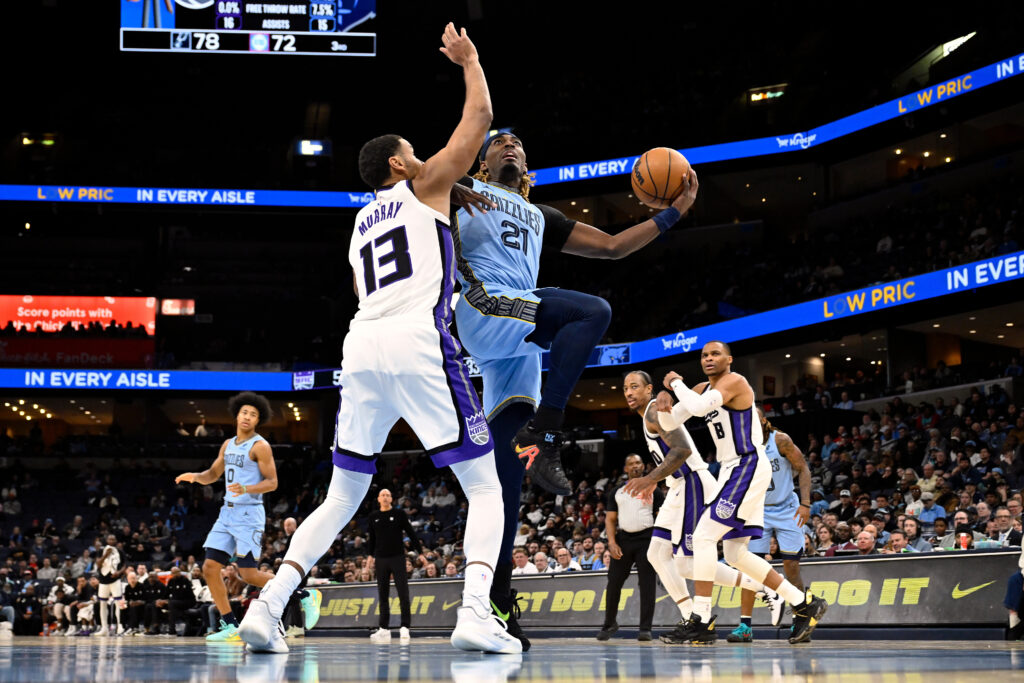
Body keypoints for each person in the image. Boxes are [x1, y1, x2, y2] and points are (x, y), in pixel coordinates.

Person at [238, 23, 519, 657]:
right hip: (418, 339)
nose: (421, 157)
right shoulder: (425, 186)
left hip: (361, 347)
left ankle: (268, 605)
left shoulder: (362, 222)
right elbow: (480, 121)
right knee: (484, 486)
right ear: (397, 163)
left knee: (342, 494)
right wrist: (471, 61)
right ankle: (476, 613)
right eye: (413, 151)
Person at [457, 131, 699, 652]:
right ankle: (548, 432)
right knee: (591, 312)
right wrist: (446, 185)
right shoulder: (464, 190)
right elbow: (412, 180)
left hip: (516, 339)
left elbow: (612, 247)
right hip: (484, 305)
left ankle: (495, 603)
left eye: (517, 142)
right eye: (498, 142)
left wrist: (673, 213)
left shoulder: (540, 214)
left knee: (505, 483)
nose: (509, 144)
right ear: (481, 163)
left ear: (527, 165)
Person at [655, 342, 826, 645]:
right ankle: (803, 603)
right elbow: (668, 423)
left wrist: (676, 383)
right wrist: (664, 400)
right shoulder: (700, 389)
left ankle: (701, 619)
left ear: (729, 359)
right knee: (735, 554)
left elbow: (698, 408)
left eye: (715, 354)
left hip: (747, 464)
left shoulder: (735, 381)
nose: (709, 358)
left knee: (704, 536)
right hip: (730, 469)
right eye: (704, 355)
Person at [623, 371, 774, 645]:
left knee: (687, 564)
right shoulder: (648, 416)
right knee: (656, 554)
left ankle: (760, 587)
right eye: (625, 388)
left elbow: (681, 451)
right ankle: (690, 617)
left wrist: (650, 479)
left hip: (692, 482)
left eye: (635, 386)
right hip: (677, 486)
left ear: (648, 389)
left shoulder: (654, 411)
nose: (629, 392)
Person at [174, 391, 280, 642]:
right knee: (210, 568)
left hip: (249, 513)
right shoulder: (228, 444)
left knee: (249, 574)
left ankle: (301, 594)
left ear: (258, 420)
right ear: (237, 415)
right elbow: (213, 474)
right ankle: (230, 625)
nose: (247, 417)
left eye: (253, 414)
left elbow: (272, 482)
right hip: (227, 513)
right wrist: (195, 477)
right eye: (244, 412)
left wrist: (246, 488)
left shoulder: (260, 446)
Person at [730, 410, 812, 643]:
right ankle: (745, 626)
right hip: (758, 510)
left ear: (764, 421)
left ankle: (800, 619)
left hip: (787, 508)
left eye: (755, 420)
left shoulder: (780, 440)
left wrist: (805, 503)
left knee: (791, 566)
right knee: (750, 568)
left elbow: (803, 468)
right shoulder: (742, 445)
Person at [598, 453, 661, 641]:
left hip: (647, 539)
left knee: (647, 584)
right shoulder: (617, 492)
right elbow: (610, 520)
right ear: (626, 469)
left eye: (638, 463)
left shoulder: (654, 489)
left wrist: (662, 542)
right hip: (623, 540)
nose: (635, 466)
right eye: (631, 463)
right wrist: (611, 543)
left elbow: (662, 517)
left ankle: (645, 628)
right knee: (614, 582)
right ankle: (609, 623)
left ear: (643, 466)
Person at [368, 488, 422, 643]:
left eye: (388, 495)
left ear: (391, 499)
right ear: (378, 499)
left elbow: (411, 533)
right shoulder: (373, 517)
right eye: (382, 495)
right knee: (382, 594)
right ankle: (384, 629)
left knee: (403, 593)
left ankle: (405, 627)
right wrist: (370, 556)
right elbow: (372, 539)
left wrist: (420, 552)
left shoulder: (399, 514)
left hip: (397, 557)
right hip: (380, 559)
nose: (385, 497)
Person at [94, 534, 125, 637]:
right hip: (103, 579)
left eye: (113, 539)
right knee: (102, 604)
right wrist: (105, 555)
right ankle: (104, 628)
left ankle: (120, 626)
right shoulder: (101, 551)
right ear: (106, 540)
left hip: (115, 579)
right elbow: (98, 564)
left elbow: (124, 565)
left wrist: (119, 572)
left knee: (118, 603)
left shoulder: (119, 551)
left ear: (116, 540)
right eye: (109, 539)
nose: (111, 541)